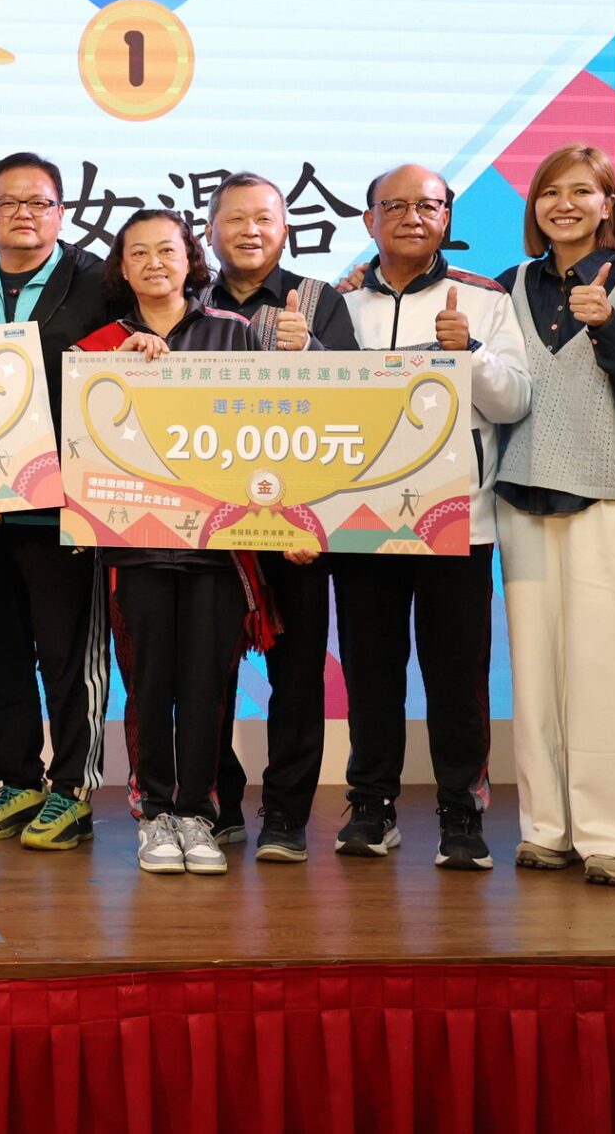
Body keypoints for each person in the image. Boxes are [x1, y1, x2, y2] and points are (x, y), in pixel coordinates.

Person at [334, 163, 530, 871]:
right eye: (395, 205)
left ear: (447, 217)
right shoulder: (338, 303)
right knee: (371, 673)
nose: (413, 216)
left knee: (457, 677)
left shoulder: (484, 298)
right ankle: (372, 805)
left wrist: (467, 354)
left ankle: (461, 812)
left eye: (429, 205)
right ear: (369, 220)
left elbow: (515, 401)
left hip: (457, 519)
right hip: (358, 518)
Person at [495, 144, 615, 887]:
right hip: (523, 499)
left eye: (581, 191)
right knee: (536, 679)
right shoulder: (510, 285)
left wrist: (608, 325)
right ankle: (548, 828)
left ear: (608, 203)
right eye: (549, 192)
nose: (563, 205)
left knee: (611, 673)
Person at [74, 210, 266, 877]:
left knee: (209, 684)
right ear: (121, 269)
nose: (154, 262)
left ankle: (198, 814)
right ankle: (155, 812)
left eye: (167, 249)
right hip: (135, 548)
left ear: (191, 259)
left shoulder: (233, 333)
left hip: (220, 548)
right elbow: (82, 445)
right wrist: (117, 374)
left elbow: (262, 430)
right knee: (150, 684)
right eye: (138, 253)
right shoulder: (98, 347)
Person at [0, 153, 112, 851]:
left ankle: (72, 788)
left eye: (38, 202)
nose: (23, 215)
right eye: (7, 203)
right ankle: (18, 780)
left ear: (61, 213)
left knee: (69, 655)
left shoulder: (100, 282)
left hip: (67, 506)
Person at [199, 172, 359, 864]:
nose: (250, 230)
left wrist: (310, 352)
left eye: (264, 218)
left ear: (286, 228)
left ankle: (288, 814)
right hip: (211, 526)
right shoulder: (189, 298)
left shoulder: (319, 301)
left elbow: (356, 404)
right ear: (210, 230)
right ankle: (219, 803)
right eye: (235, 218)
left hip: (297, 524)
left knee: (295, 674)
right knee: (206, 672)